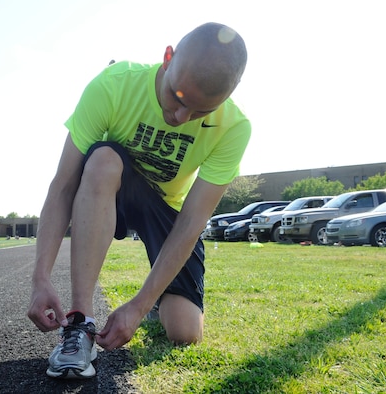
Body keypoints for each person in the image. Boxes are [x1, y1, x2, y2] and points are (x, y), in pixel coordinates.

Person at [27, 22, 250, 379]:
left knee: (184, 333)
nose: (181, 119)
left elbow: (192, 222)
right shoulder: (113, 85)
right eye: (179, 98)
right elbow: (63, 185)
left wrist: (139, 304)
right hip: (113, 186)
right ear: (167, 58)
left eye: (200, 112)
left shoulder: (235, 127)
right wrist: (40, 278)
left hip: (168, 212)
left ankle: (154, 307)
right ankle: (80, 324)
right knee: (102, 159)